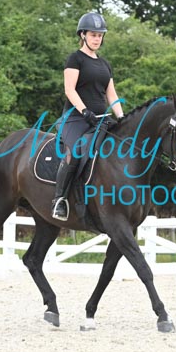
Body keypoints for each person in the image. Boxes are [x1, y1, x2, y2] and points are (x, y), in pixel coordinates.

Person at [51, 12, 124, 221]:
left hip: (100, 119)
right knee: (75, 152)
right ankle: (59, 200)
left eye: (100, 35)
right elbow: (69, 89)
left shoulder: (105, 64)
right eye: (93, 35)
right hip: (75, 118)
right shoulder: (75, 59)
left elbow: (111, 95)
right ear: (83, 35)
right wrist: (84, 111)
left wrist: (121, 117)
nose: (97, 39)